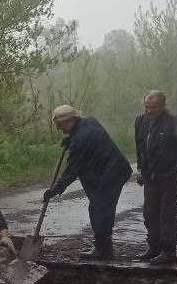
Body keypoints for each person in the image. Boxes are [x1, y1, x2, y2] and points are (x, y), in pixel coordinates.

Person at [43, 105, 133, 261]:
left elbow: (71, 172)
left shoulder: (80, 140)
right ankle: (102, 247)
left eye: (61, 126)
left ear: (71, 121)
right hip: (108, 171)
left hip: (112, 174)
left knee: (100, 210)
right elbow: (88, 135)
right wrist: (70, 138)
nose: (59, 129)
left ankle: (103, 250)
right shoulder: (88, 121)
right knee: (97, 208)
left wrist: (54, 190)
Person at [133, 90, 177, 265]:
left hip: (170, 176)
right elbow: (140, 147)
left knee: (167, 214)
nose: (149, 111)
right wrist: (140, 168)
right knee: (149, 213)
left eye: (153, 107)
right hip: (150, 177)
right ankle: (154, 247)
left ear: (163, 106)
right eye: (146, 107)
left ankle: (169, 251)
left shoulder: (175, 122)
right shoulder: (140, 121)